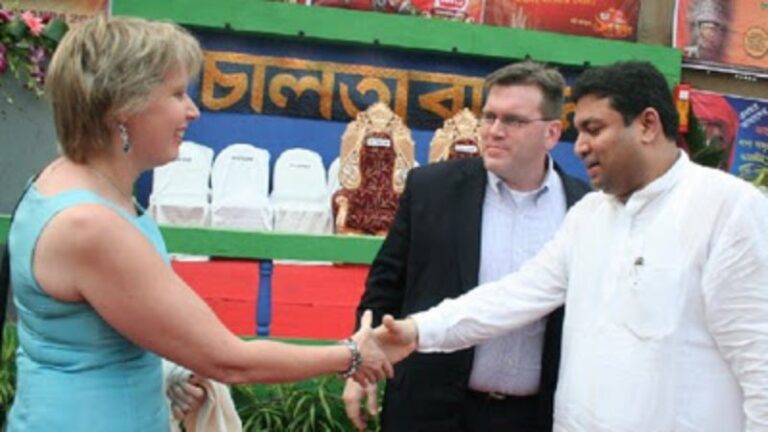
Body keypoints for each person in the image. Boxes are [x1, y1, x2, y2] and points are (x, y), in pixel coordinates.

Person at [4, 15, 391, 431]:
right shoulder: (90, 224)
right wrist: (350, 354)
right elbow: (229, 360)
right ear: (123, 109)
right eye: (176, 94)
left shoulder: (66, 181)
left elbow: (96, 333)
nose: (192, 110)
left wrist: (167, 374)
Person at [374, 61, 768, 431]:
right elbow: (514, 296)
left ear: (648, 125)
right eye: (578, 131)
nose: (578, 146)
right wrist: (417, 331)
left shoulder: (727, 210)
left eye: (594, 130)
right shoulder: (589, 215)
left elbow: (760, 365)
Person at [342, 61, 590, 432]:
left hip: (535, 417)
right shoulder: (432, 189)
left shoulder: (585, 208)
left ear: (552, 132)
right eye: (489, 117)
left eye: (513, 121)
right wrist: (361, 366)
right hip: (430, 410)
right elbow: (385, 285)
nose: (494, 131)